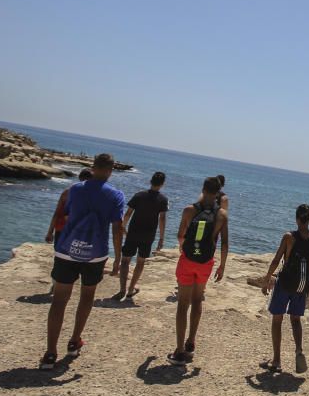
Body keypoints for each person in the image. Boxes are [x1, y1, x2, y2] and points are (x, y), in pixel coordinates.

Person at [40, 154, 125, 370]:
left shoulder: (75, 190)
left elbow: (65, 215)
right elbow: (117, 228)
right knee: (87, 296)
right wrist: (117, 257)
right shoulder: (115, 195)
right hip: (95, 253)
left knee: (59, 300)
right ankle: (74, 341)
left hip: (67, 249)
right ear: (111, 170)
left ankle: (50, 353)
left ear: (93, 167)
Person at [168, 177, 229, 366]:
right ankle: (191, 341)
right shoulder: (222, 215)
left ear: (202, 189)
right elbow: (224, 243)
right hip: (206, 262)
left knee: (182, 304)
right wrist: (222, 266)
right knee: (197, 300)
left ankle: (179, 350)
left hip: (188, 260)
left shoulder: (189, 210)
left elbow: (180, 235)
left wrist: (184, 248)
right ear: (218, 192)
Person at [261, 204, 309, 374]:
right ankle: (299, 350)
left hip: (285, 284)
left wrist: (266, 280)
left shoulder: (289, 237)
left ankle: (277, 360)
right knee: (295, 320)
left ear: (296, 218)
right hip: (302, 287)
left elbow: (276, 260)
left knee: (277, 319)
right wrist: (308, 288)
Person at [112, 171, 168, 301]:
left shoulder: (139, 195)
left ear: (151, 181)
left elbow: (128, 214)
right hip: (148, 235)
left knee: (125, 260)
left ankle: (122, 290)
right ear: (162, 184)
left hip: (133, 232)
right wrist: (161, 238)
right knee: (140, 262)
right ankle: (131, 289)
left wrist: (123, 227)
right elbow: (162, 219)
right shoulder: (163, 200)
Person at [46, 168, 93, 249]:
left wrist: (50, 232)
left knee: (59, 255)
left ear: (80, 177)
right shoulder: (92, 196)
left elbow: (57, 213)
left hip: (61, 229)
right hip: (77, 232)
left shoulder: (67, 192)